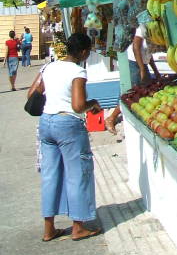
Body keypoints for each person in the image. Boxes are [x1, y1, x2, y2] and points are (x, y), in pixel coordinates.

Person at [27, 32, 102, 241]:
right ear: (84, 52)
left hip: (46, 123)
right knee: (78, 174)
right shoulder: (78, 71)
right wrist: (93, 104)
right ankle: (78, 227)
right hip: (68, 124)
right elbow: (78, 105)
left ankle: (49, 228)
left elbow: (32, 94)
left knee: (50, 175)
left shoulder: (49, 67)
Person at [105, 24, 159, 133]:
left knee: (146, 90)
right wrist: (142, 69)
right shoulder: (142, 28)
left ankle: (140, 115)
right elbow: (136, 47)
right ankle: (111, 118)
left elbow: (148, 54)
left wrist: (155, 70)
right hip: (134, 63)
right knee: (131, 93)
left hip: (142, 64)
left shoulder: (153, 31)